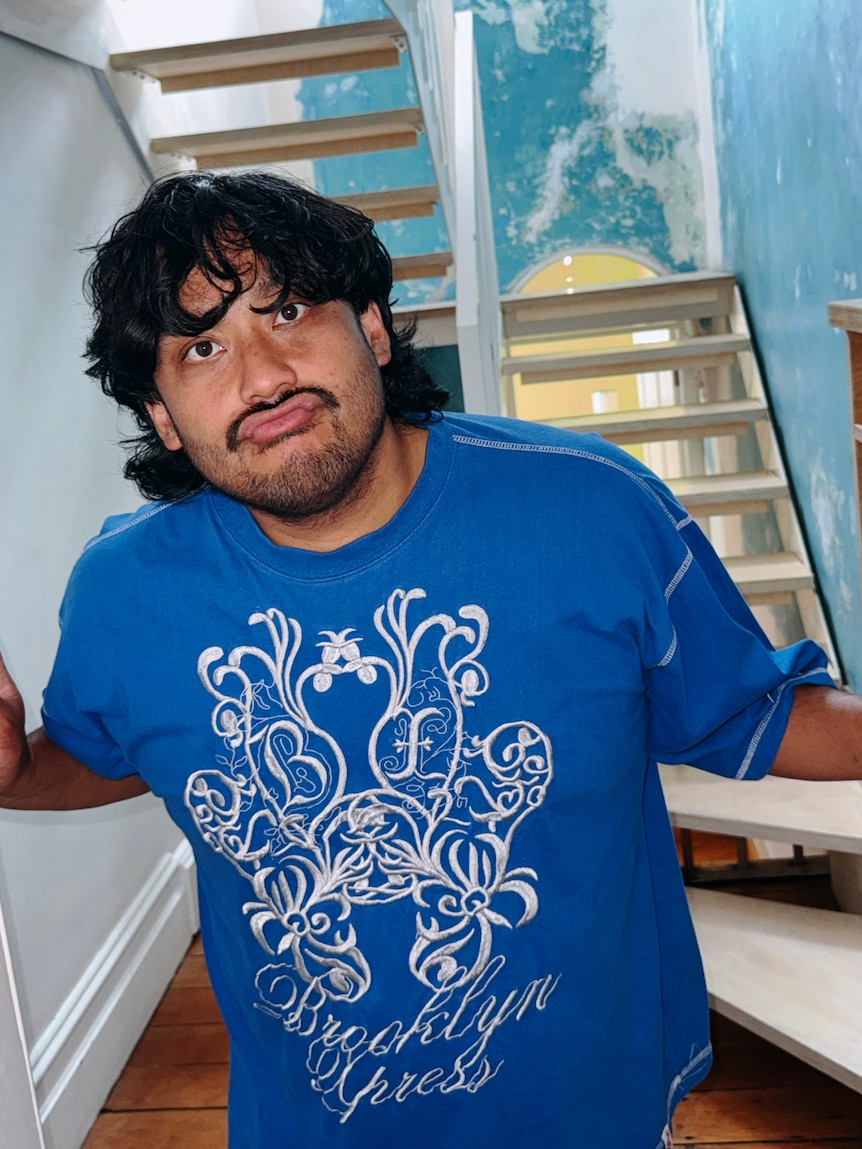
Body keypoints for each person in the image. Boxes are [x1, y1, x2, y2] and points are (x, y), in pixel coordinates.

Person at [0, 171, 858, 1149]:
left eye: (287, 309)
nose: (263, 373)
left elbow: (750, 711)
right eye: (201, 347)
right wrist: (19, 771)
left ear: (370, 326)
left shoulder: (592, 512)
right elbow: (108, 751)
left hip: (593, 1108)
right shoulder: (123, 597)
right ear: (161, 414)